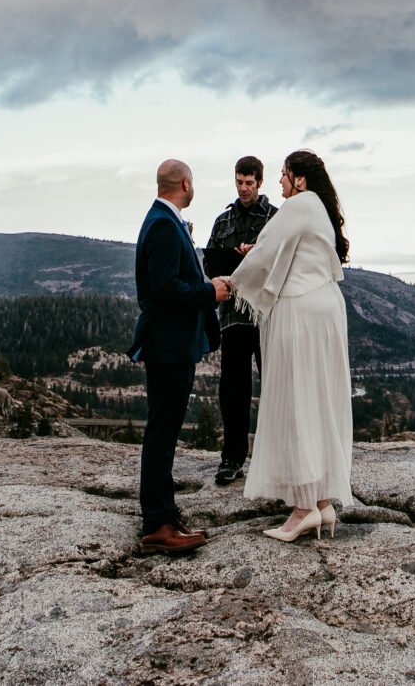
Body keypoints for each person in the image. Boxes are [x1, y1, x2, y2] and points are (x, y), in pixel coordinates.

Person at [227, 148, 353, 542]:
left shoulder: (298, 205)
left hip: (300, 311)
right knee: (318, 401)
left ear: (299, 178)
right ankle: (321, 502)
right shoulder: (319, 208)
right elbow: (289, 251)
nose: (280, 181)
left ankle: (301, 510)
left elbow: (267, 251)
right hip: (325, 307)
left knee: (297, 402)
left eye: (283, 174)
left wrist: (233, 280)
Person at [129, 158, 232, 553]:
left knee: (166, 432)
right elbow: (165, 290)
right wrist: (212, 293)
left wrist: (206, 284)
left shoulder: (165, 221)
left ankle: (165, 513)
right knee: (162, 433)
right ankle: (157, 524)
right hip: (168, 347)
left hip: (174, 345)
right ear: (185, 184)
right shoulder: (162, 224)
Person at [200, 155, 277, 486]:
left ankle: (277, 457)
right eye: (239, 182)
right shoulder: (222, 222)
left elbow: (284, 261)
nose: (244, 188)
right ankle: (232, 457)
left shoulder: (275, 219)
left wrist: (254, 257)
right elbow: (209, 264)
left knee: (276, 385)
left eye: (249, 183)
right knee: (233, 390)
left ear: (260, 182)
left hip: (268, 315)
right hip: (232, 315)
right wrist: (232, 259)